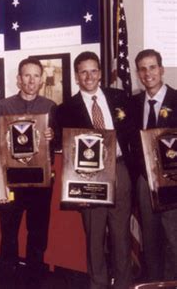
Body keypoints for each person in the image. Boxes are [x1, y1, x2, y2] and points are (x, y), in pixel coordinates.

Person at [57, 51, 133, 289]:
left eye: (93, 71)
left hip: (120, 170)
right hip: (88, 177)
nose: (89, 76)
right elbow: (65, 148)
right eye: (83, 72)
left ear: (100, 73)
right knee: (95, 237)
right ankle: (97, 284)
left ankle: (123, 283)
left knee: (121, 236)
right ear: (77, 76)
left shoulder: (120, 97)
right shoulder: (66, 108)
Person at [0, 58, 56, 283]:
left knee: (38, 232)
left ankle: (34, 276)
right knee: (9, 232)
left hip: (40, 180)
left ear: (41, 80)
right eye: (26, 76)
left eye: (35, 76)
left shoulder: (50, 107)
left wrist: (52, 136)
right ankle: (8, 278)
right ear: (19, 79)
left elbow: (57, 143)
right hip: (11, 180)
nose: (31, 80)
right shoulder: (3, 107)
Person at [128, 49, 177, 281]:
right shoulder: (133, 103)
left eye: (152, 67)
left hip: (173, 184)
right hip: (144, 182)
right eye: (143, 69)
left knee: (174, 240)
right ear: (138, 73)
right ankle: (156, 283)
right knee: (150, 240)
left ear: (162, 69)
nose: (148, 73)